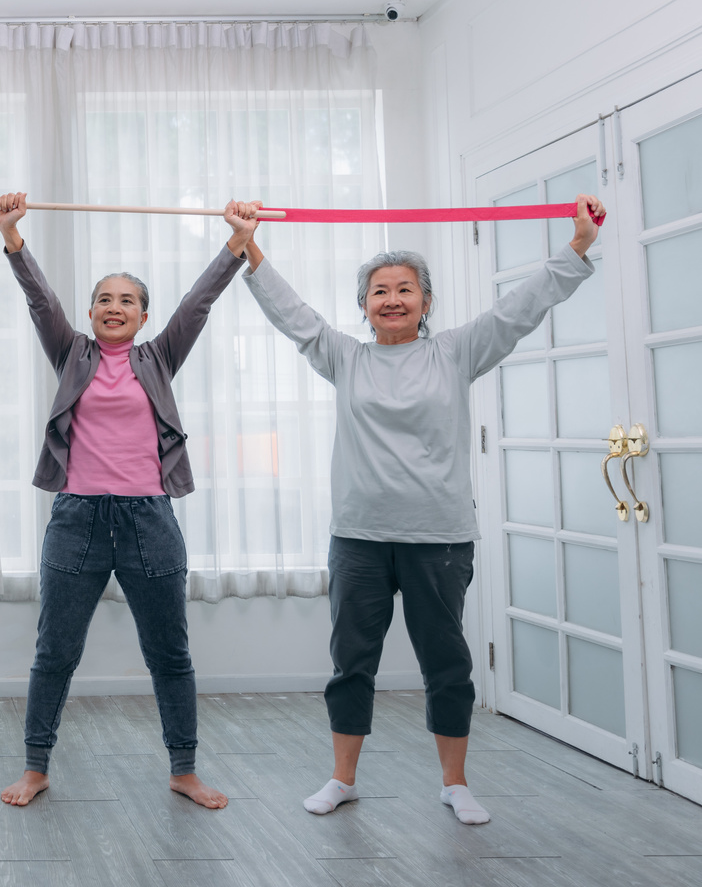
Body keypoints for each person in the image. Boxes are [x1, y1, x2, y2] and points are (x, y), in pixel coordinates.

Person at [238, 193, 606, 826]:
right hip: (359, 538)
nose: (392, 299)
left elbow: (520, 310)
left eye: (405, 288)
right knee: (351, 664)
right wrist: (248, 244)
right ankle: (342, 779)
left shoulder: (456, 351)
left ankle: (456, 784)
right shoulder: (345, 358)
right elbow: (292, 314)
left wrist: (577, 246)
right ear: (363, 306)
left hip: (438, 539)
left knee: (447, 663)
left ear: (426, 302)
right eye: (379, 290)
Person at [0, 191, 257, 809]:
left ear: (142, 317)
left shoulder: (159, 357)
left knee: (170, 653)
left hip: (148, 520)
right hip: (77, 520)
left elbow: (199, 302)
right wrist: (12, 236)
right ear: (89, 313)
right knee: (55, 651)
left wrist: (236, 243)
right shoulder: (72, 353)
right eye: (104, 299)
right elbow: (40, 301)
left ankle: (183, 770)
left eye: (128, 301)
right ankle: (36, 768)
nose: (115, 307)